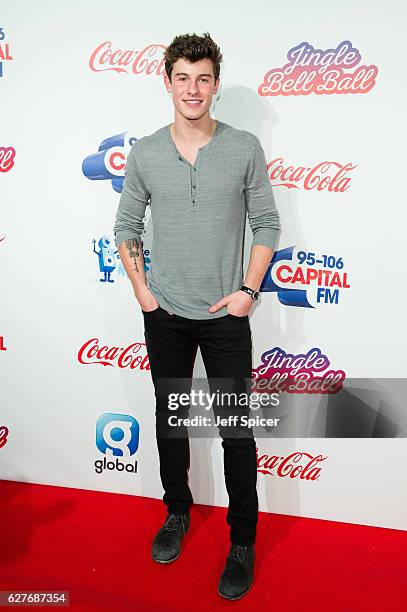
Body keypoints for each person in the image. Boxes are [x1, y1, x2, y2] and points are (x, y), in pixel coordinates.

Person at [113, 31, 281, 601]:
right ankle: (177, 513)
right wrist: (143, 292)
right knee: (171, 423)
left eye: (203, 78)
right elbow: (126, 227)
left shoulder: (244, 147)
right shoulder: (146, 153)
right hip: (166, 315)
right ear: (167, 81)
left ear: (215, 84)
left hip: (227, 317)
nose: (193, 89)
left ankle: (242, 540)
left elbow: (268, 223)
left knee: (236, 431)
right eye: (182, 77)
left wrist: (247, 291)